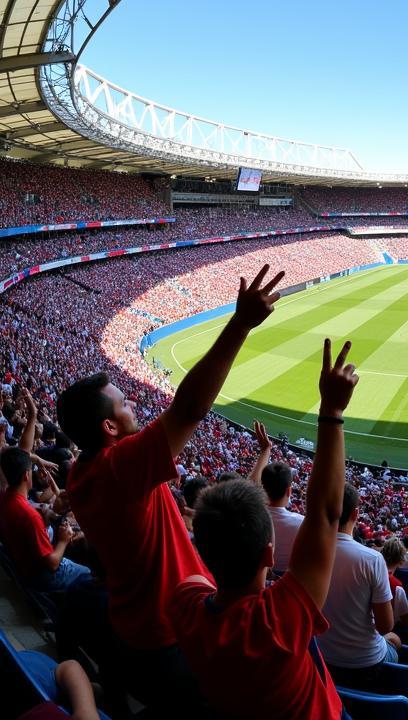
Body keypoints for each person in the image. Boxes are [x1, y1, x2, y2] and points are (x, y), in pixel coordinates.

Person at [56, 265, 284, 711]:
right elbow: (190, 408)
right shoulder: (119, 466)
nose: (134, 404)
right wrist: (239, 325)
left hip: (130, 623)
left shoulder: (80, 471)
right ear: (108, 427)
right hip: (168, 633)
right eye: (124, 405)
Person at [170, 336, 359, 720]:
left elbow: (324, 514)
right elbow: (324, 514)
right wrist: (332, 409)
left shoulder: (187, 605)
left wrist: (328, 412)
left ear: (203, 550)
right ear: (269, 554)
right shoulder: (278, 621)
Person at [319, 483, 400, 685]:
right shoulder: (372, 559)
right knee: (395, 640)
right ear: (355, 514)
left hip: (322, 658)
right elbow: (385, 626)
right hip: (366, 663)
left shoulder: (311, 552)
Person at [0, 447, 91, 593]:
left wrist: (35, 460)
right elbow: (53, 564)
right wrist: (63, 540)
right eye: (32, 469)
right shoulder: (30, 516)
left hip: (21, 562)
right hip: (41, 576)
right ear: (26, 475)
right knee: (87, 571)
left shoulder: (4, 497)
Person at [259, 460, 303, 571]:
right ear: (289, 491)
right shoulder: (302, 523)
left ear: (262, 488)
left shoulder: (251, 515)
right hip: (286, 581)